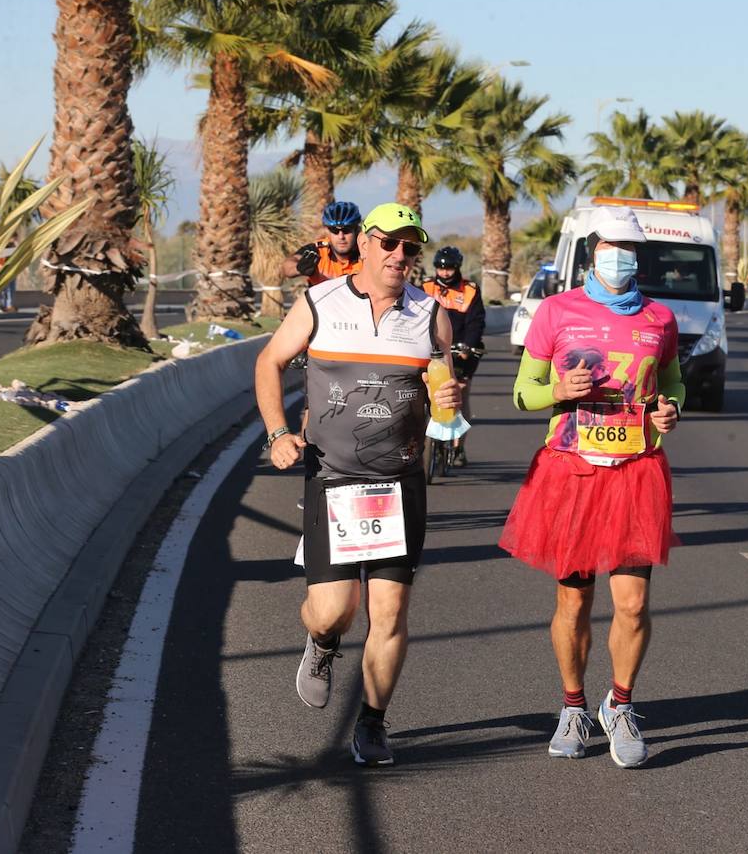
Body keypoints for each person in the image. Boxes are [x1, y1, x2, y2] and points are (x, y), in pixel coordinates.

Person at [253, 202, 460, 767]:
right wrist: (276, 434)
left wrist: (447, 403)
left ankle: (372, 723)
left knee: (389, 612)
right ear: (364, 244)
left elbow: (446, 399)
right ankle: (322, 645)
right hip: (334, 478)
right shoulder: (320, 302)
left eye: (410, 248)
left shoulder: (430, 314)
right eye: (389, 244)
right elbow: (269, 362)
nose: (400, 256)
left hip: (399, 483)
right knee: (332, 611)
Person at [499, 205, 683, 769]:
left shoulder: (660, 319)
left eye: (630, 248)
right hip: (572, 471)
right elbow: (521, 394)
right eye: (610, 245)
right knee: (573, 602)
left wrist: (671, 409)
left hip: (635, 471)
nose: (620, 256)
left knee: (632, 605)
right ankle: (573, 706)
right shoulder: (556, 312)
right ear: (592, 250)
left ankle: (620, 705)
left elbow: (672, 385)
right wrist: (559, 387)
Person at [422, 245, 485, 466]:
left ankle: (458, 448)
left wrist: (468, 346)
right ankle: (430, 444)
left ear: (457, 268)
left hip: (461, 352)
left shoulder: (470, 290)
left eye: (449, 268)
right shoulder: (425, 287)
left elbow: (476, 322)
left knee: (460, 393)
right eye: (440, 268)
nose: (445, 273)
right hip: (431, 351)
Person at [282, 200, 363, 286]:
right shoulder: (317, 250)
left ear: (356, 230)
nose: (341, 236)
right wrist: (298, 268)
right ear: (327, 231)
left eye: (347, 230)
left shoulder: (365, 253)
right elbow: (287, 266)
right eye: (334, 230)